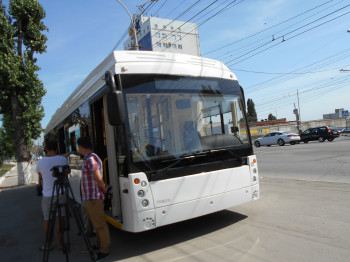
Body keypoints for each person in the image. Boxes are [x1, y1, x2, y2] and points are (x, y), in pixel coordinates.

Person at [77, 136, 110, 262]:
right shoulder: (92, 158)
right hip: (91, 197)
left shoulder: (90, 159)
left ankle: (105, 250)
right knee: (97, 224)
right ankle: (99, 244)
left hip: (93, 198)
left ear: (81, 147)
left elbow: (97, 178)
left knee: (100, 225)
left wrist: (103, 188)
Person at [36, 140, 68, 251]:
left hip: (47, 194)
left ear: (46, 150)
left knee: (47, 219)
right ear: (57, 148)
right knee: (61, 217)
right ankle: (61, 243)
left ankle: (48, 244)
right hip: (61, 192)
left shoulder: (40, 162)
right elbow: (67, 173)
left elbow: (40, 177)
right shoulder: (63, 159)